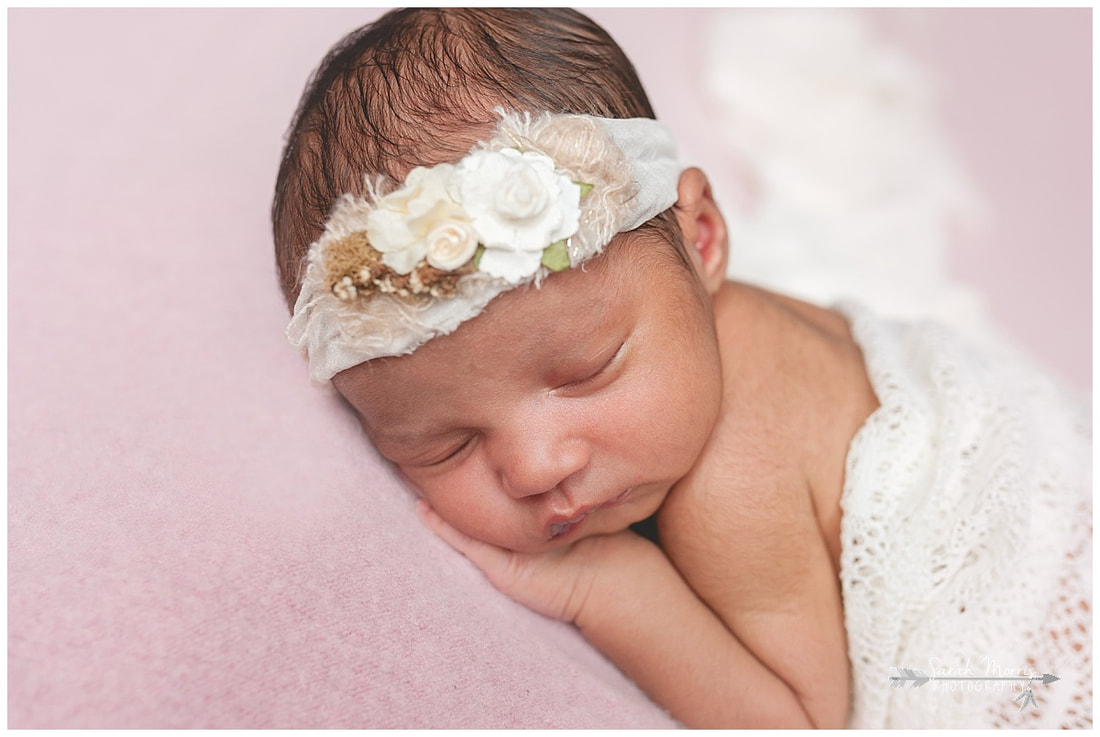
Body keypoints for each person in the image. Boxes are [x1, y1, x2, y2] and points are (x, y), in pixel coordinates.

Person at [272, 8, 1091, 729]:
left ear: (702, 239)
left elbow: (801, 718)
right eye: (445, 443)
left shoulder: (729, 481)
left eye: (587, 370)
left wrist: (607, 586)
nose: (534, 466)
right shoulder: (684, 317)